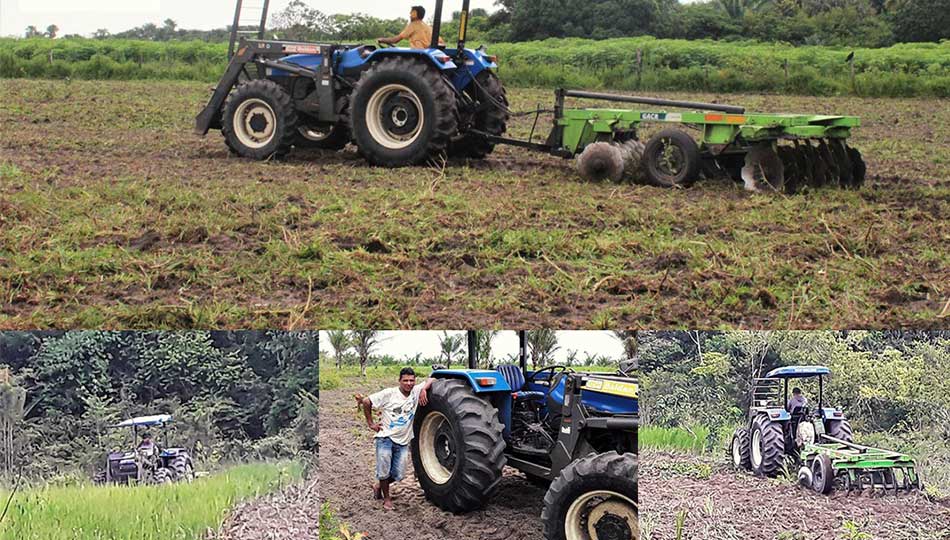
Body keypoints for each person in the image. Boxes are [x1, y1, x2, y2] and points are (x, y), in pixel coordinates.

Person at [355, 367, 436, 510]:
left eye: (412, 380)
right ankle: (387, 499)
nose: (409, 383)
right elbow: (367, 401)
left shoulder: (415, 392)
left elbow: (433, 378)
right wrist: (371, 423)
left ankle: (378, 485)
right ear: (399, 381)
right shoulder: (389, 394)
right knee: (384, 470)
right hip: (385, 438)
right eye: (405, 380)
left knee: (399, 474)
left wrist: (424, 389)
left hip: (403, 441)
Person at [377, 5, 444, 49]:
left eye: (411, 12)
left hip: (418, 55)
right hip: (426, 54)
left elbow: (395, 40)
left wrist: (382, 39)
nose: (409, 14)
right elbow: (441, 43)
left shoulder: (413, 25)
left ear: (414, 13)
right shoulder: (428, 27)